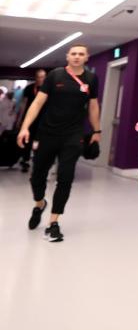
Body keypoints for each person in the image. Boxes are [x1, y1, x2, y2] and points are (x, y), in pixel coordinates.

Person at [17, 46, 101, 242]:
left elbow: (94, 105)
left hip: (73, 135)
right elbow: (37, 103)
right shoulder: (55, 75)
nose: (77, 57)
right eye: (74, 53)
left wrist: (97, 131)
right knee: (37, 176)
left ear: (86, 57)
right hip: (48, 133)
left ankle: (53, 222)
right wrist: (24, 127)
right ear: (67, 57)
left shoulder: (91, 79)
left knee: (66, 177)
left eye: (81, 54)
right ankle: (39, 204)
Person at [15, 69, 47, 172]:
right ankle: (25, 160)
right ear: (36, 78)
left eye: (43, 77)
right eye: (39, 77)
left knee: (40, 141)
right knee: (27, 140)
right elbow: (24, 104)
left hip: (43, 120)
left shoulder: (48, 89)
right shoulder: (29, 88)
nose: (41, 79)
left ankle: (38, 162)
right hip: (30, 118)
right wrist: (20, 119)